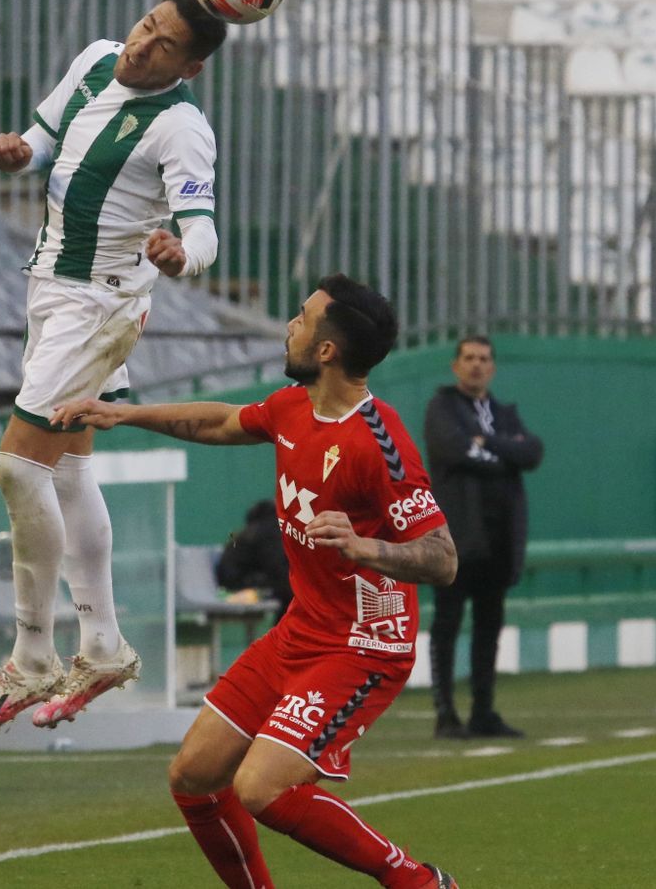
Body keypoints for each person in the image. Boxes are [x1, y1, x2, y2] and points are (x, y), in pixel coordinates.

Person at [53, 274, 460, 889]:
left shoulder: (380, 442)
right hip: (302, 630)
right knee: (192, 776)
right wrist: (126, 413)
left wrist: (364, 545)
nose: (290, 326)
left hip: (364, 645)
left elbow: (443, 557)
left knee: (261, 787)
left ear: (327, 351)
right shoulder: (293, 407)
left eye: (301, 318)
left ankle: (419, 883)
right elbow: (220, 422)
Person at [0, 0, 228, 733]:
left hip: (99, 305)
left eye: (166, 45)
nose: (144, 46)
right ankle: (102, 643)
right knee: (69, 468)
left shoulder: (181, 127)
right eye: (148, 26)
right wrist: (18, 153)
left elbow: (202, 229)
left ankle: (33, 653)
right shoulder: (97, 60)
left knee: (18, 468)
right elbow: (43, 138)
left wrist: (182, 255)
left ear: (192, 67)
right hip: (52, 288)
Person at [422, 336, 544, 740]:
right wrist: (505, 456)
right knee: (448, 623)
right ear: (455, 365)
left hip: (500, 539)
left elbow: (533, 453)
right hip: (455, 539)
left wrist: (489, 443)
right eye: (469, 358)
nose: (477, 365)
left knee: (489, 626)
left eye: (484, 359)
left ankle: (483, 711)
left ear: (493, 367)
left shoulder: (503, 413)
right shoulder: (442, 407)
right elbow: (454, 451)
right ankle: (445, 713)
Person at [214, 499, 293, 620]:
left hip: (238, 578)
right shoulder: (269, 532)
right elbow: (276, 566)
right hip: (238, 583)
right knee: (291, 592)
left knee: (291, 590)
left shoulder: (255, 530)